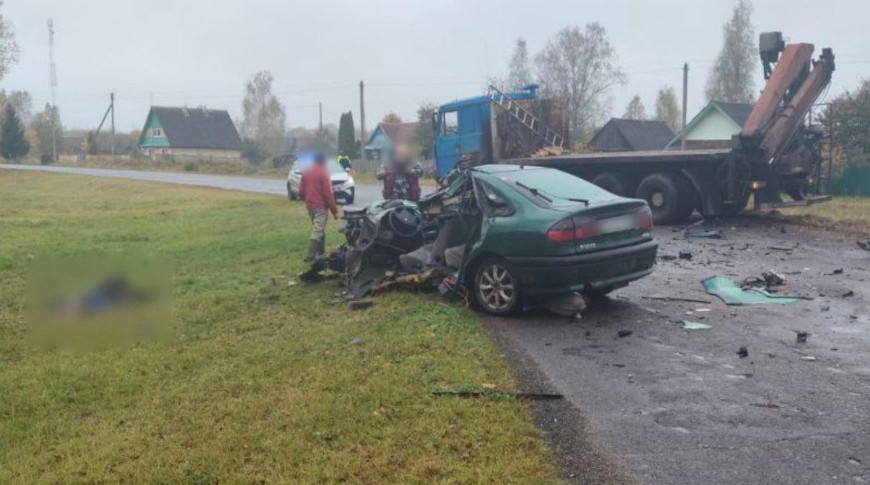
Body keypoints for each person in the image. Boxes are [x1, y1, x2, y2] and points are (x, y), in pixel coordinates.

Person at [298, 153, 338, 261]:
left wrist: (306, 200)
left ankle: (321, 253)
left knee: (319, 228)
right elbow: (328, 194)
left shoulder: (307, 172)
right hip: (320, 206)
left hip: (310, 206)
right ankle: (311, 254)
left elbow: (301, 190)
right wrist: (334, 210)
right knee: (318, 229)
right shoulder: (323, 173)